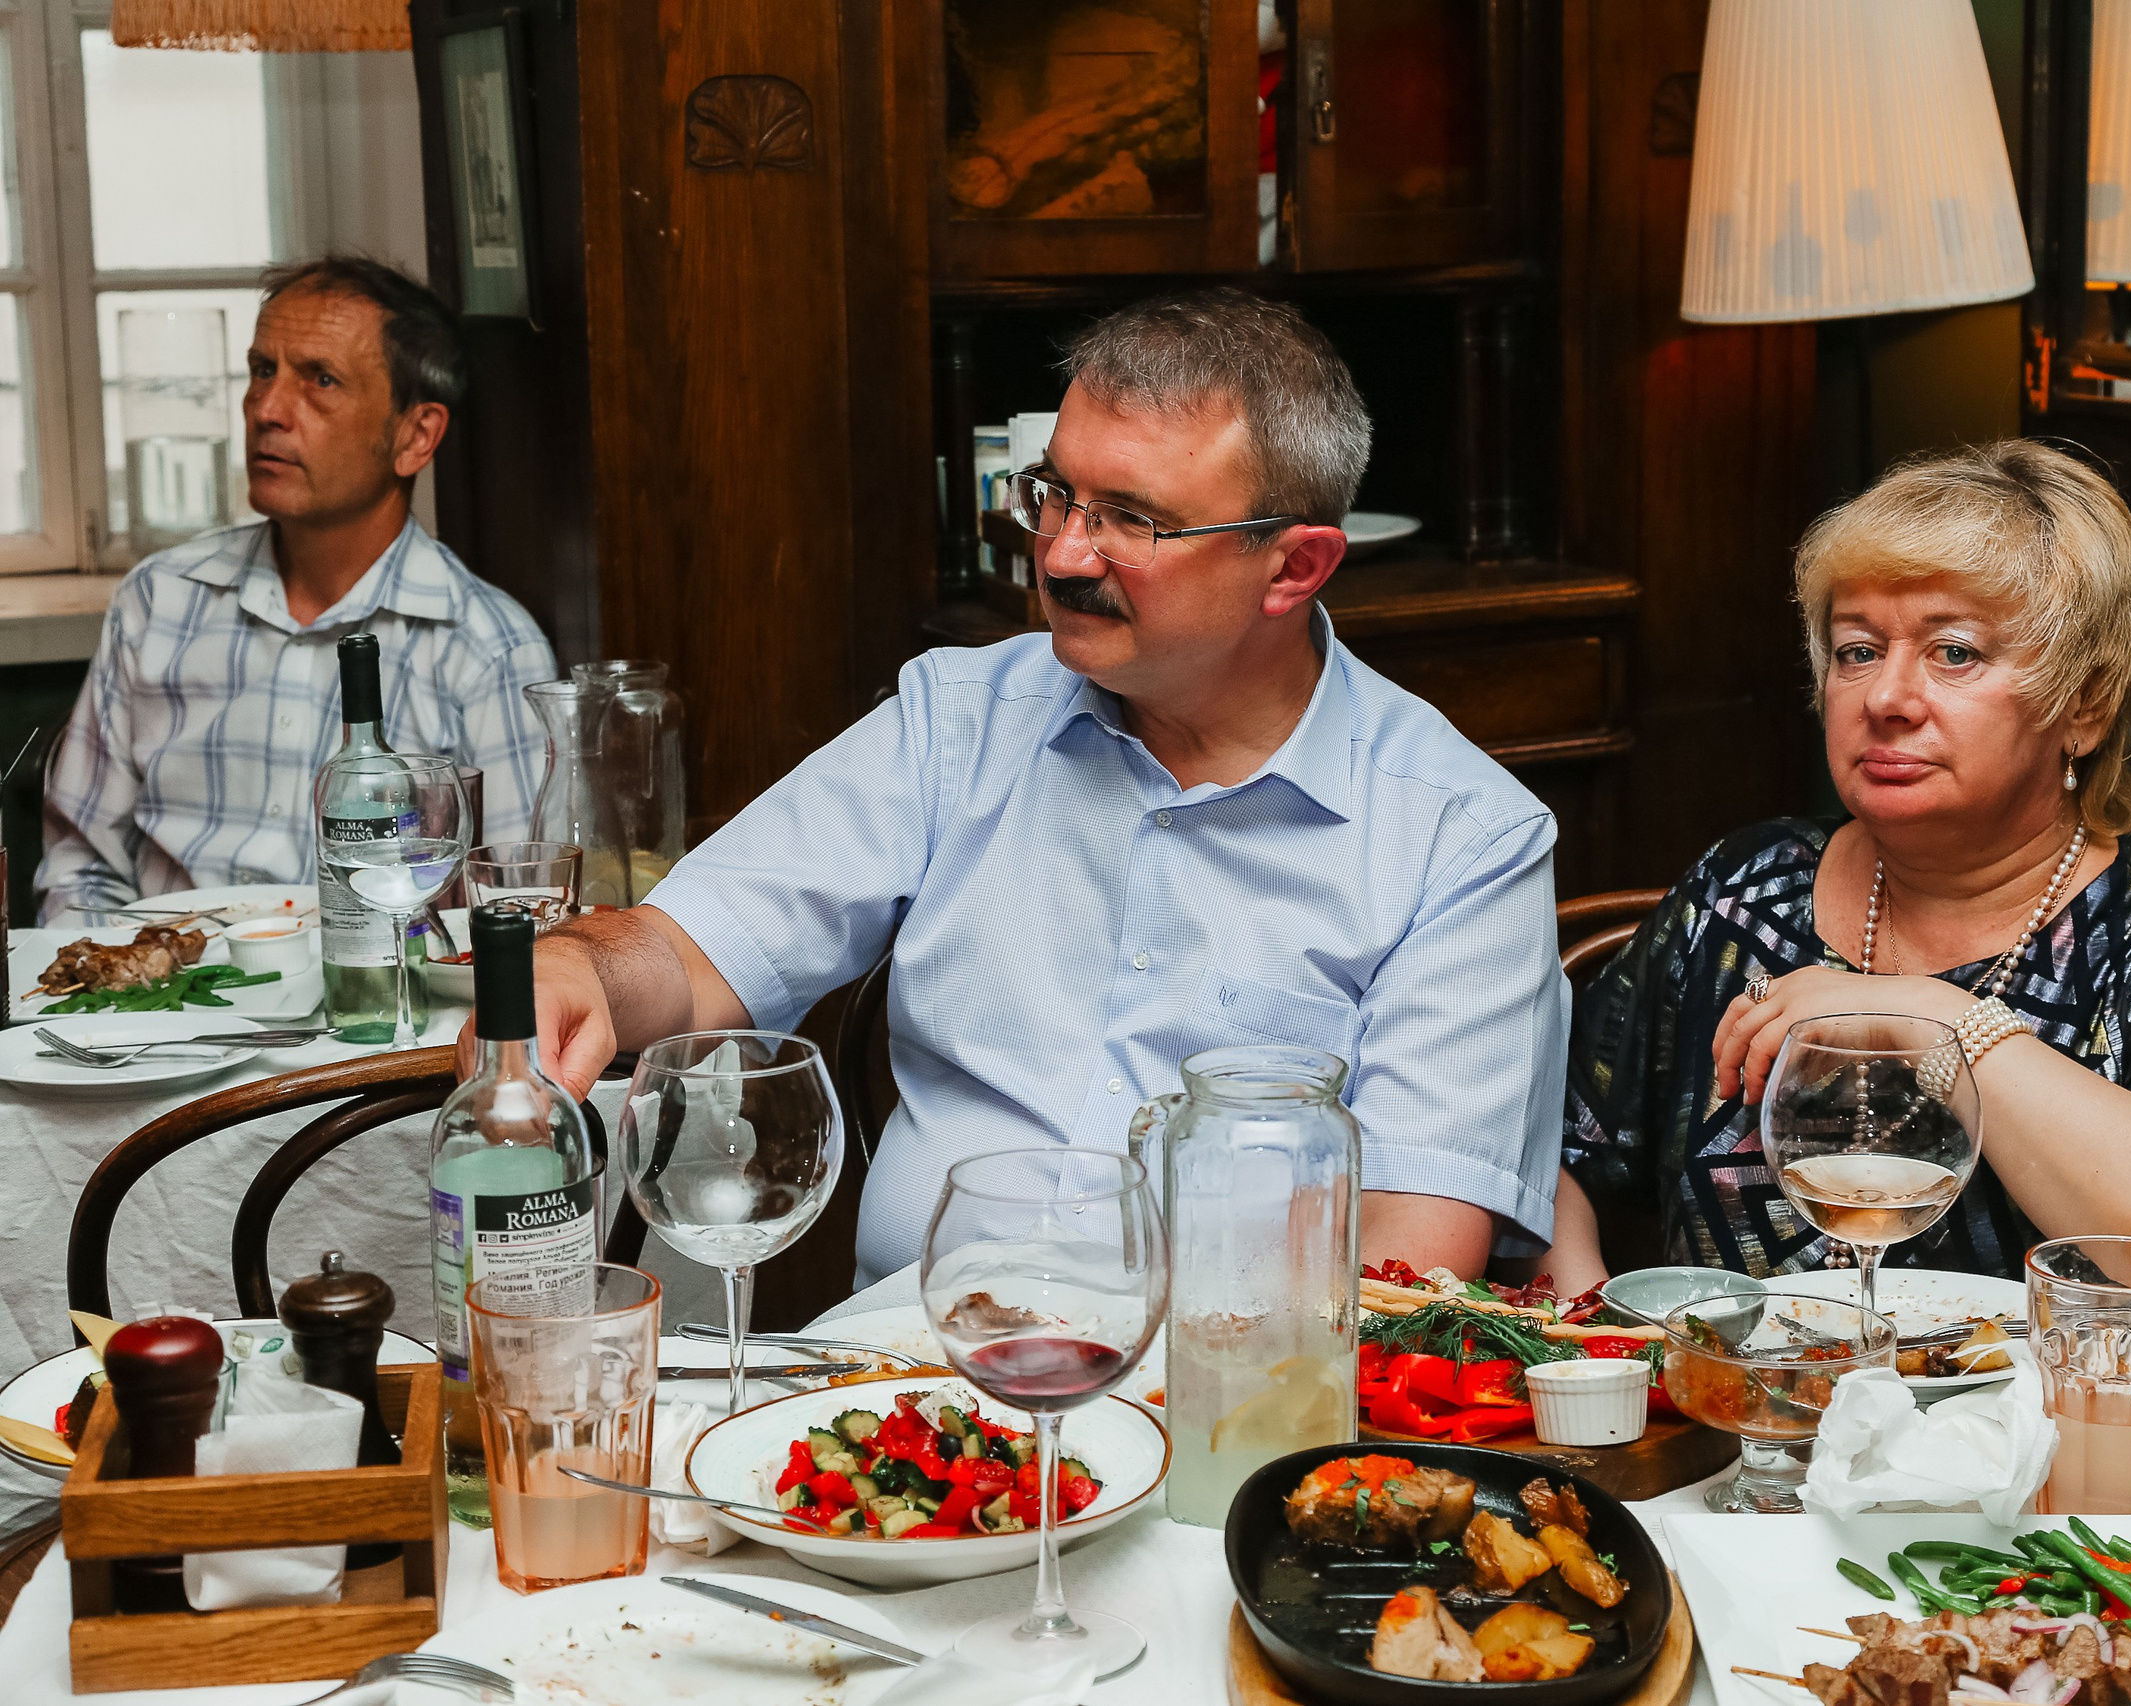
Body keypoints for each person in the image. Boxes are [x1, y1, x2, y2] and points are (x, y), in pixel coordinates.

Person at [492, 287, 1569, 1288]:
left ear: (1293, 567)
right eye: (1056, 493)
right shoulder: (958, 720)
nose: (1057, 554)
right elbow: (688, 957)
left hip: (1215, 1408)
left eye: (1131, 520)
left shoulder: (1459, 842)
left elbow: (1407, 1260)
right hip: (908, 1376)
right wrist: (580, 962)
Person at [1553, 440, 2131, 1286]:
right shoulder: (1744, 890)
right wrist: (1591, 1331)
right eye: (1858, 650)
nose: (1885, 699)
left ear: (2084, 705)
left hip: (2025, 1418)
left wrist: (1924, 1015)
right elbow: (1548, 1147)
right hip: (1738, 1413)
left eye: (1954, 653)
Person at [38, 256, 556, 922]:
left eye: (321, 379)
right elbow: (79, 873)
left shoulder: (488, 649)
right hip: (161, 1003)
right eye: (262, 371)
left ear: (415, 435)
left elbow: (517, 908)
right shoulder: (159, 602)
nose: (268, 409)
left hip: (383, 1007)